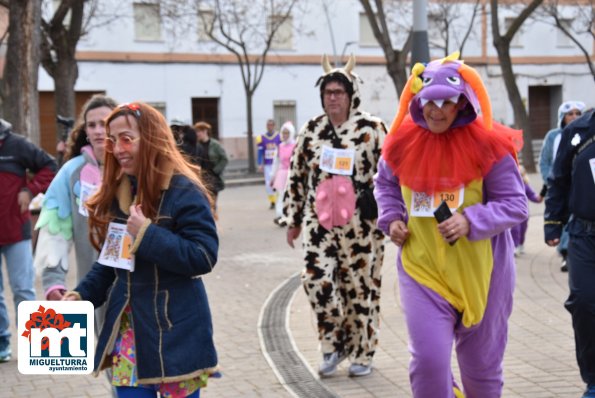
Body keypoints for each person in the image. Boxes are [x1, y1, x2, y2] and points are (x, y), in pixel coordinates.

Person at [374, 53, 528, 397]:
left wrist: (471, 220)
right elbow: (384, 184)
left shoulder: (489, 145)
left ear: (462, 102)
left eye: (446, 101)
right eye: (429, 101)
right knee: (429, 362)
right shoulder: (402, 141)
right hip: (423, 269)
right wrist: (393, 217)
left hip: (482, 276)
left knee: (482, 373)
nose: (436, 110)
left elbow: (515, 204)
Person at [62, 102, 219, 398]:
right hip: (130, 335)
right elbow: (110, 263)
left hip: (177, 332)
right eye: (112, 140)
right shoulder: (121, 193)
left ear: (150, 138)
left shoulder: (185, 191)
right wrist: (80, 296)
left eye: (126, 138)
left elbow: (203, 255)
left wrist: (147, 235)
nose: (117, 148)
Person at [284, 55, 386, 377]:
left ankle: (362, 351)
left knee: (360, 290)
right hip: (319, 224)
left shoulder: (372, 129)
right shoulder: (311, 130)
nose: (333, 97)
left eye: (339, 92)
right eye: (328, 92)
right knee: (316, 280)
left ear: (351, 94)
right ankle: (333, 344)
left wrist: (390, 212)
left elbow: (392, 174)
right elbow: (297, 174)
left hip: (361, 226)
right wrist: (293, 219)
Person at [35, 94, 118, 300]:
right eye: (91, 125)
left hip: (136, 284)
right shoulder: (71, 173)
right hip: (92, 284)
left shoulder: (134, 166)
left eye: (104, 123)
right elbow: (55, 228)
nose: (98, 130)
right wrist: (54, 281)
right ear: (86, 132)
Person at [544, 108, 595, 398]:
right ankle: (593, 379)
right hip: (584, 234)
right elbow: (559, 179)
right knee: (586, 303)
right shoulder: (577, 131)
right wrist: (553, 223)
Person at [0, 119, 57, 362]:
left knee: (23, 289)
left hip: (16, 231)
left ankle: (35, 344)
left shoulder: (17, 145)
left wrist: (30, 190)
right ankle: (2, 343)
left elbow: (50, 166)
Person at [539, 100, 585, 271]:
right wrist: (551, 182)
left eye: (577, 114)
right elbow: (545, 162)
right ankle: (566, 253)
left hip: (579, 188)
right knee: (562, 218)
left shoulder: (586, 135)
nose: (574, 117)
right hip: (560, 187)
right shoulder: (554, 136)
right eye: (570, 114)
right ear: (562, 117)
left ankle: (571, 253)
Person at [511, 165, 543, 256]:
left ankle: (521, 245)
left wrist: (538, 198)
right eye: (517, 174)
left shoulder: (525, 186)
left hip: (524, 213)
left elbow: (532, 195)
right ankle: (515, 246)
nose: (520, 177)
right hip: (514, 212)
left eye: (521, 175)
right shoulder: (511, 186)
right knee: (515, 229)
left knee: (523, 229)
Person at [195, 121, 228, 204]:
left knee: (212, 203)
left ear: (205, 131)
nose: (197, 134)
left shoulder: (215, 144)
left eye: (199, 131)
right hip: (201, 177)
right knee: (204, 202)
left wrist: (216, 170)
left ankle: (212, 216)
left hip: (213, 178)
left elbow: (224, 159)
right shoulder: (197, 145)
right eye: (196, 132)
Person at [270, 121, 296, 226]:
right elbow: (275, 162)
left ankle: (290, 216)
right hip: (282, 173)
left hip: (292, 173)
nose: (285, 135)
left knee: (291, 196)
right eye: (283, 133)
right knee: (281, 195)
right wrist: (272, 176)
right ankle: (280, 215)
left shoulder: (295, 145)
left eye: (287, 133)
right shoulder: (280, 146)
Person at [256, 119, 281, 209]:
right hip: (267, 164)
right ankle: (272, 201)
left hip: (277, 164)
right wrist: (259, 163)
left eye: (271, 125)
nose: (269, 127)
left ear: (274, 126)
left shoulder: (279, 137)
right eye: (268, 125)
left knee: (278, 182)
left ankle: (279, 199)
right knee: (268, 183)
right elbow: (260, 152)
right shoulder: (262, 138)